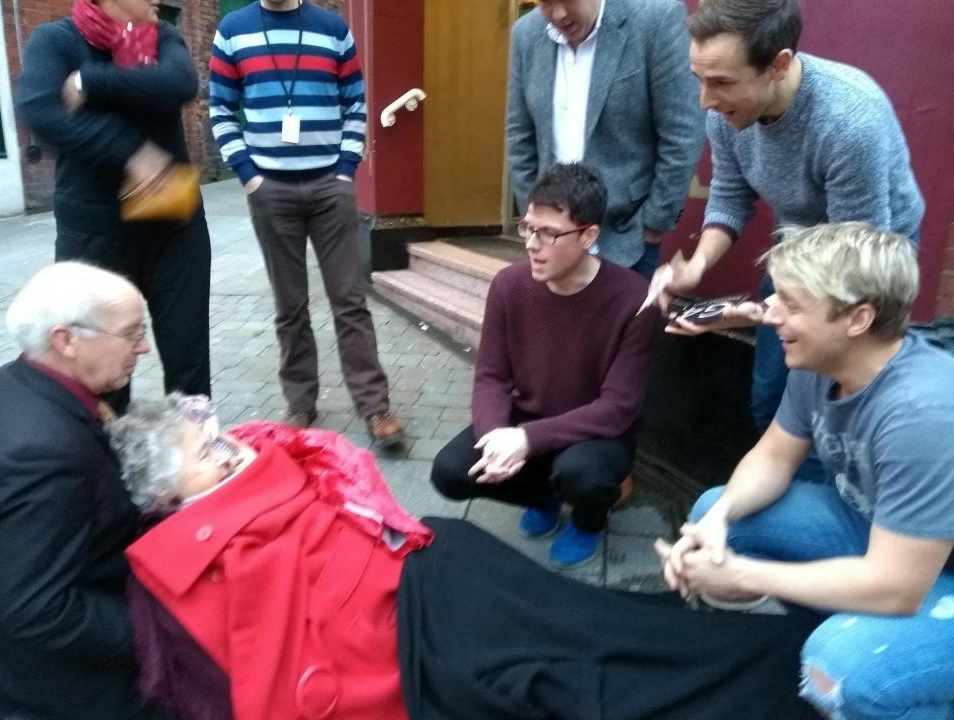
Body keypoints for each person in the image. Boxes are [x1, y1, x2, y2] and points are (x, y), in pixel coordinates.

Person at [114, 394, 825, 720]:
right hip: (405, 625)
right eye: (205, 454)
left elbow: (317, 459)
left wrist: (243, 451)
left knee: (588, 619)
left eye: (214, 439)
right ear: (169, 494)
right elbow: (269, 626)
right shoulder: (185, 551)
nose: (226, 449)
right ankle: (771, 667)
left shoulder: (248, 467)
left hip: (427, 560)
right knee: (558, 662)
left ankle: (767, 651)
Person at [656, 223, 954, 719]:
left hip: (925, 574)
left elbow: (896, 585)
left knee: (836, 667)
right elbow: (774, 456)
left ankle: (900, 679)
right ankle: (845, 625)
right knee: (714, 510)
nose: (769, 313)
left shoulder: (924, 413)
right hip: (882, 536)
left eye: (791, 304)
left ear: (858, 318)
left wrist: (742, 574)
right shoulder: (822, 363)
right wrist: (719, 519)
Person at [651, 0, 924, 463]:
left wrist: (751, 313)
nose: (706, 102)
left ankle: (836, 509)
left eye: (720, 83)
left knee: (829, 401)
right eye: (699, 80)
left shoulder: (849, 121)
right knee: (769, 398)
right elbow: (730, 196)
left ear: (778, 65)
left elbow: (852, 274)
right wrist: (696, 267)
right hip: (798, 249)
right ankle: (778, 491)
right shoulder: (726, 113)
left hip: (870, 261)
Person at [430, 164, 659, 568]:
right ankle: (543, 497)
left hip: (596, 433)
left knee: (582, 475)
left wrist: (528, 439)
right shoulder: (509, 286)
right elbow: (492, 376)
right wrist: (494, 439)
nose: (532, 245)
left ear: (589, 236)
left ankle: (588, 521)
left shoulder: (635, 299)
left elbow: (619, 407)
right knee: (450, 471)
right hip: (530, 416)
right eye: (528, 228)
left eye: (549, 233)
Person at [208, 0, 403, 446]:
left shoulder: (332, 28)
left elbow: (355, 101)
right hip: (270, 189)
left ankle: (375, 407)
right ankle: (300, 402)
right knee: (289, 305)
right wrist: (248, 175)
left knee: (350, 300)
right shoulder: (233, 30)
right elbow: (220, 108)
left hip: (329, 187)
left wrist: (345, 168)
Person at [17, 0, 213, 414]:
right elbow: (43, 112)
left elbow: (179, 83)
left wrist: (90, 80)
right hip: (95, 231)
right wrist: (130, 152)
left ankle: (198, 457)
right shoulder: (55, 41)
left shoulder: (164, 37)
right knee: (101, 370)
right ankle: (105, 464)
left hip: (174, 225)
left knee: (189, 362)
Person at [0, 263, 163, 719]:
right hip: (59, 691)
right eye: (131, 334)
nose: (144, 347)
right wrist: (166, 630)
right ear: (65, 340)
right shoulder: (48, 453)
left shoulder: (14, 383)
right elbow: (38, 612)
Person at [506, 0, 705, 279]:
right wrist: (538, 222)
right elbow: (519, 136)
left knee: (624, 323)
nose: (559, 14)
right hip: (552, 242)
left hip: (627, 238)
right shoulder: (525, 34)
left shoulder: (656, 19)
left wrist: (653, 222)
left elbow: (683, 131)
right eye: (546, 2)